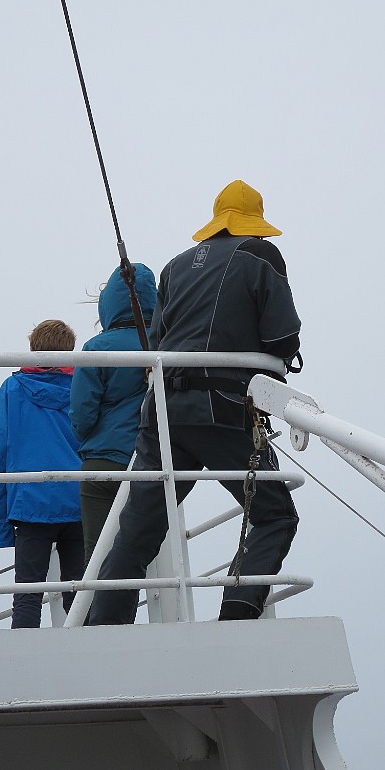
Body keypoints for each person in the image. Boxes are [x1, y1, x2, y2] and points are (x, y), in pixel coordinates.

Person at [89, 178, 302, 625]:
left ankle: (102, 628)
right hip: (221, 408)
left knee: (139, 532)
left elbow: (162, 341)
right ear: (253, 224)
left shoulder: (174, 267)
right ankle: (237, 618)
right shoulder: (261, 255)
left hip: (163, 414)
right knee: (274, 515)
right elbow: (283, 338)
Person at [0, 319, 84, 629]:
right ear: (69, 350)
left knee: (27, 595)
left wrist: (0, 526)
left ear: (32, 349)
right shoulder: (83, 386)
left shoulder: (12, 389)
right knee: (80, 595)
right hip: (78, 500)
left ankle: (21, 672)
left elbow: (1, 452)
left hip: (30, 504)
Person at [69, 264, 157, 564]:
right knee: (134, 555)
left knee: (97, 557)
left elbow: (82, 415)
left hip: (102, 462)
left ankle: (100, 612)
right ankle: (124, 612)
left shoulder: (96, 349)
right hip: (151, 463)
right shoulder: (167, 347)